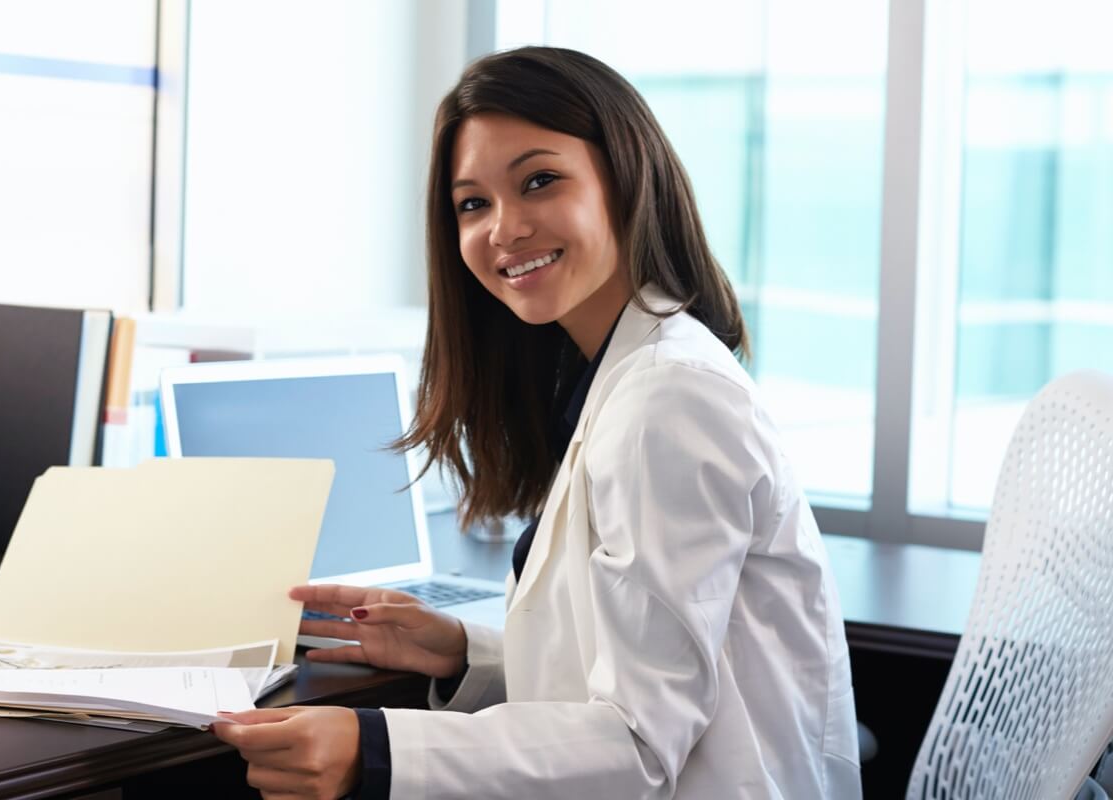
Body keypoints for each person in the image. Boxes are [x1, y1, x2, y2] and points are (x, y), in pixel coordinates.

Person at [214, 46, 862, 800]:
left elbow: (638, 744)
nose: (504, 229)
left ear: (626, 178)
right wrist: (461, 653)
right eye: (472, 204)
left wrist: (380, 749)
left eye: (540, 181)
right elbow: (611, 676)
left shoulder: (669, 400)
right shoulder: (613, 377)